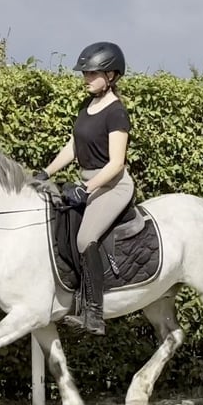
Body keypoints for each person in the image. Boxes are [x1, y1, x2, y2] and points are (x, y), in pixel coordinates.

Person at [34, 41, 135, 336]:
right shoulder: (87, 107)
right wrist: (45, 172)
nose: (86, 78)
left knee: (85, 238)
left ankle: (94, 314)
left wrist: (87, 188)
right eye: (85, 73)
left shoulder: (117, 113)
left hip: (113, 185)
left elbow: (116, 164)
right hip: (89, 182)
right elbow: (74, 148)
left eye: (92, 74)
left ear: (112, 76)